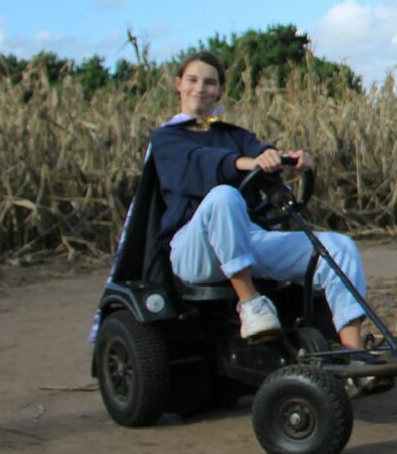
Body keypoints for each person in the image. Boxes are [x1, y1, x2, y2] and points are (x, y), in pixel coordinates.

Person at [150, 51, 372, 351]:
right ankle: (251, 304)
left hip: (246, 238)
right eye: (193, 80)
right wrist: (245, 163)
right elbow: (198, 162)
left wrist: (290, 159)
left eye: (210, 82)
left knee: (339, 247)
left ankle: (354, 355)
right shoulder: (166, 138)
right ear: (179, 84)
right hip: (194, 249)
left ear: (219, 90)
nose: (200, 88)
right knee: (224, 196)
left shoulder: (233, 135)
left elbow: (261, 150)